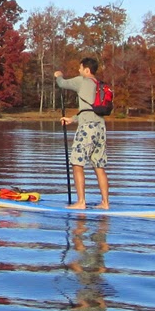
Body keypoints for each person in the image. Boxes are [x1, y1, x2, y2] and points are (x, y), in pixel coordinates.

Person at [54, 57, 110, 209]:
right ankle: (105, 203)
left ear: (86, 70)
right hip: (100, 127)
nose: (78, 71)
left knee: (77, 163)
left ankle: (81, 202)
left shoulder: (82, 81)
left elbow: (62, 84)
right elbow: (89, 109)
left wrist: (58, 75)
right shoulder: (99, 85)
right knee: (99, 165)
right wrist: (72, 119)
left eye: (80, 68)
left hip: (87, 129)